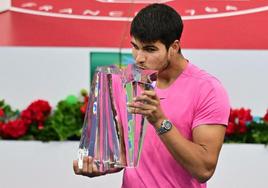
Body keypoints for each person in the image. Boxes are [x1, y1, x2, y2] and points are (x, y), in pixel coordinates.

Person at [73, 3, 230, 188]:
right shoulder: (123, 81)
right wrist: (97, 165)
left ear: (174, 46)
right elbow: (122, 156)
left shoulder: (208, 89)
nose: (138, 57)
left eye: (149, 49)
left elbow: (204, 170)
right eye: (134, 46)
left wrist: (160, 122)